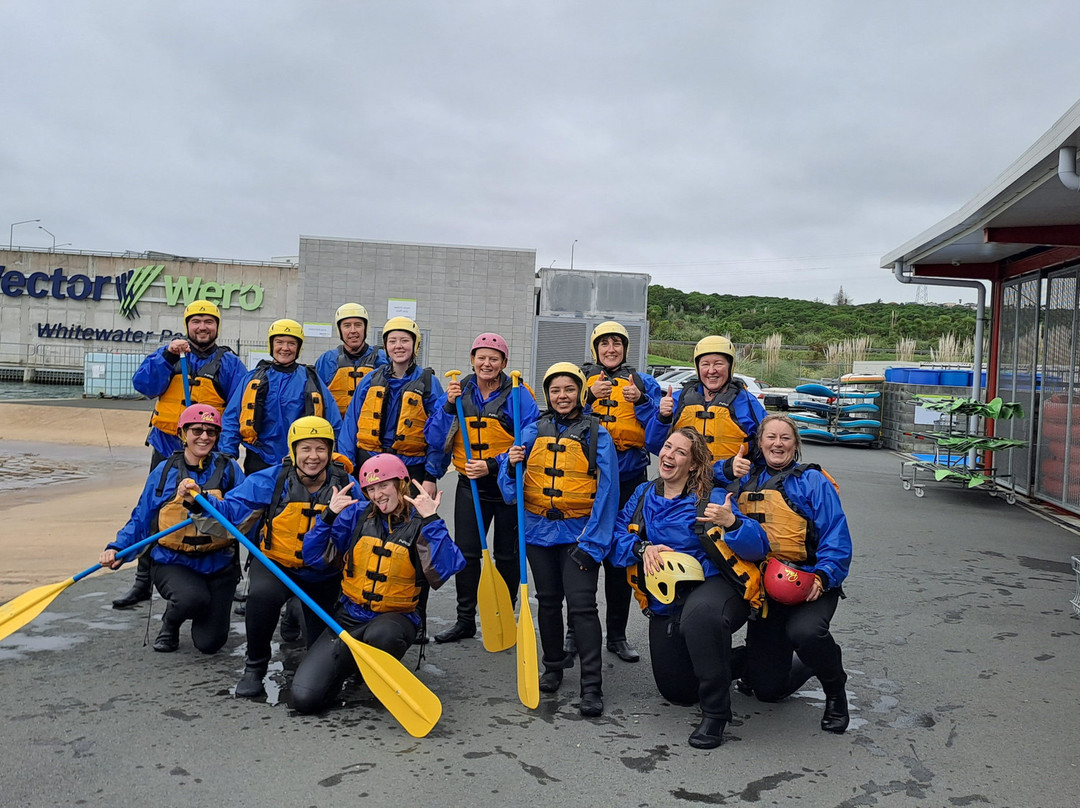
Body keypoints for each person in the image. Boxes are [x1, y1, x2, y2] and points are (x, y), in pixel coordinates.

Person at [612, 427, 768, 748]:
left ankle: (715, 714)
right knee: (677, 692)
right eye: (668, 447)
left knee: (700, 616)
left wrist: (733, 522)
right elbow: (613, 537)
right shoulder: (643, 493)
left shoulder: (712, 497)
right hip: (667, 598)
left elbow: (758, 547)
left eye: (680, 452)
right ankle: (757, 660)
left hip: (716, 588)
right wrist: (641, 549)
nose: (669, 455)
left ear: (694, 465)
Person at [187, 416, 354, 698]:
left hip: (323, 573)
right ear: (293, 450)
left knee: (320, 650)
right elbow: (231, 511)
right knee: (261, 597)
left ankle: (316, 654)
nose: (313, 457)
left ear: (330, 451)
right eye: (306, 449)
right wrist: (199, 499)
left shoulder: (347, 486)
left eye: (320, 449)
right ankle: (255, 667)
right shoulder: (271, 479)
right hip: (277, 565)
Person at [290, 454, 465, 714]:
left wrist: (432, 521)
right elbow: (313, 556)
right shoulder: (357, 517)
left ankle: (374, 669)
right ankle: (351, 665)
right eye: (371, 489)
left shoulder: (421, 522)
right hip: (348, 618)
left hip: (396, 619)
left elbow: (449, 566)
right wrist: (328, 516)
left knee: (382, 635)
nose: (377, 494)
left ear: (401, 483)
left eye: (383, 485)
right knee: (304, 699)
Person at [498, 362, 619, 717]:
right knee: (548, 601)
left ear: (580, 392)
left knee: (582, 607)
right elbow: (510, 495)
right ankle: (552, 666)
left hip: (580, 534)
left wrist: (593, 542)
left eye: (569, 389)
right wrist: (509, 464)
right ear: (548, 395)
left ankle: (591, 686)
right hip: (538, 533)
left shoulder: (597, 433)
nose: (562, 396)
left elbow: (608, 493)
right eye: (555, 391)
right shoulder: (532, 430)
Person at [725, 413, 853, 734]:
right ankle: (792, 663)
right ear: (760, 443)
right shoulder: (743, 480)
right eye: (771, 437)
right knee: (768, 691)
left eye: (785, 438)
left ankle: (835, 690)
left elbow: (836, 535)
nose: (777, 444)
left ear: (795, 444)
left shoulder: (812, 481)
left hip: (809, 584)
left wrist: (825, 576)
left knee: (806, 633)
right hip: (765, 591)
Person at [117, 300, 246, 609]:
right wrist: (166, 355)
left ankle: (230, 577)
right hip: (168, 448)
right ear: (188, 325)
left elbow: (237, 409)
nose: (203, 326)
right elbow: (143, 385)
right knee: (155, 512)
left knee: (221, 510)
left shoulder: (228, 364)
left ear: (217, 327)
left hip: (208, 450)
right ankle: (143, 581)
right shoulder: (170, 355)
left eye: (209, 321)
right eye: (197, 321)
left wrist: (225, 452)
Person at [100, 404, 246, 654]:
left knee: (210, 644)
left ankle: (203, 610)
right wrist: (117, 549)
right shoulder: (164, 471)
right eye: (197, 430)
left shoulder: (230, 471)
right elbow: (142, 517)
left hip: (220, 564)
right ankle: (171, 621)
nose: (204, 437)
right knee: (192, 599)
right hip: (173, 561)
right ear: (183, 433)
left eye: (211, 432)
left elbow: (244, 514)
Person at [426, 333, 540, 643]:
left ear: (504, 363)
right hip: (469, 486)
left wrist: (492, 464)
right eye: (481, 357)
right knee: (467, 553)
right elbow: (435, 439)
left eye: (494, 358)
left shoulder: (518, 393)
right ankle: (465, 620)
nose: (486, 363)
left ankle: (504, 614)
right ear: (473, 359)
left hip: (506, 486)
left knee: (506, 555)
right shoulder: (458, 391)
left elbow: (530, 437)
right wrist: (449, 406)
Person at [576, 320, 661, 663]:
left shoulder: (643, 383)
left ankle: (617, 635)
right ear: (595, 348)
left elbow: (659, 430)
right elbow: (560, 414)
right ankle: (575, 633)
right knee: (581, 554)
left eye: (617, 343)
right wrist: (586, 397)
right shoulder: (581, 380)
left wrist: (641, 401)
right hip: (587, 479)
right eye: (604, 343)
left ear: (625, 348)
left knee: (620, 554)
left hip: (629, 478)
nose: (611, 349)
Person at [219, 319, 342, 475]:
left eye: (291, 343)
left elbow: (333, 422)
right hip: (259, 458)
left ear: (298, 347)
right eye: (279, 342)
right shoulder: (252, 378)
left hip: (300, 461)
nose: (285, 348)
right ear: (271, 345)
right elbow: (231, 419)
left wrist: (336, 457)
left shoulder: (311, 380)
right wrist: (227, 455)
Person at [339, 316, 444, 497]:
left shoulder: (429, 384)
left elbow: (439, 433)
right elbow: (350, 424)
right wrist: (345, 468)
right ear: (386, 346)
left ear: (415, 345)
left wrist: (430, 477)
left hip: (411, 468)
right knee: (367, 522)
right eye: (392, 341)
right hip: (371, 464)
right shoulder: (370, 381)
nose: (398, 346)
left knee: (408, 523)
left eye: (405, 341)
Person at [646, 335, 766, 467]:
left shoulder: (748, 402)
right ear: (697, 367)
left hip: (732, 483)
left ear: (730, 367)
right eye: (705, 364)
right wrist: (663, 418)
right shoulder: (677, 399)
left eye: (718, 364)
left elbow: (766, 446)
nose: (711, 371)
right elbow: (654, 445)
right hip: (685, 479)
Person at [314, 303, 386, 417]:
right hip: (337, 429)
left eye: (358, 325)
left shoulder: (382, 359)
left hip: (371, 428)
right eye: (347, 326)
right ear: (340, 330)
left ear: (365, 328)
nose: (353, 331)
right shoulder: (327, 360)